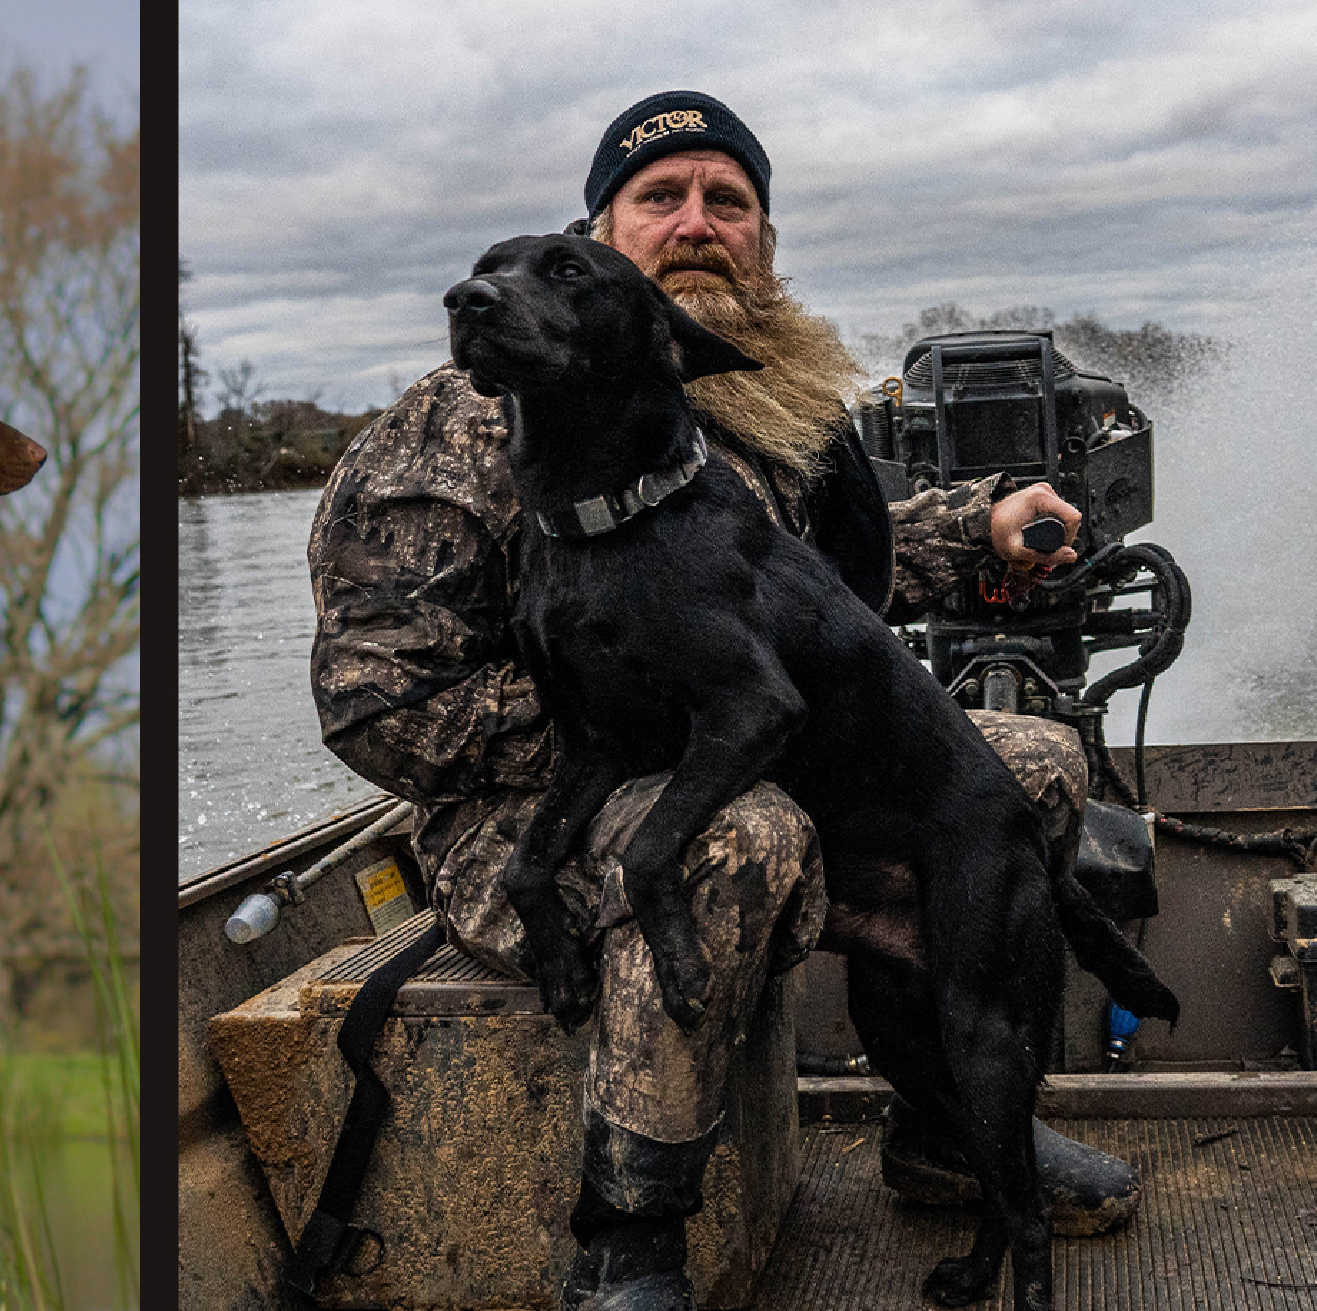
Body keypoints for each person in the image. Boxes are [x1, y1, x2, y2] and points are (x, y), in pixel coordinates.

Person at [309, 90, 1139, 1311]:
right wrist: (649, 710)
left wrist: (981, 528)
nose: (697, 224)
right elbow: (376, 705)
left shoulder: (761, 402)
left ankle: (946, 1123)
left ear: (762, 238)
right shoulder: (460, 423)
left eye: (728, 202)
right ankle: (629, 1248)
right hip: (524, 813)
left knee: (1021, 763)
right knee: (737, 838)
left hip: (743, 740)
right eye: (659, 198)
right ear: (599, 228)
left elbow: (792, 589)